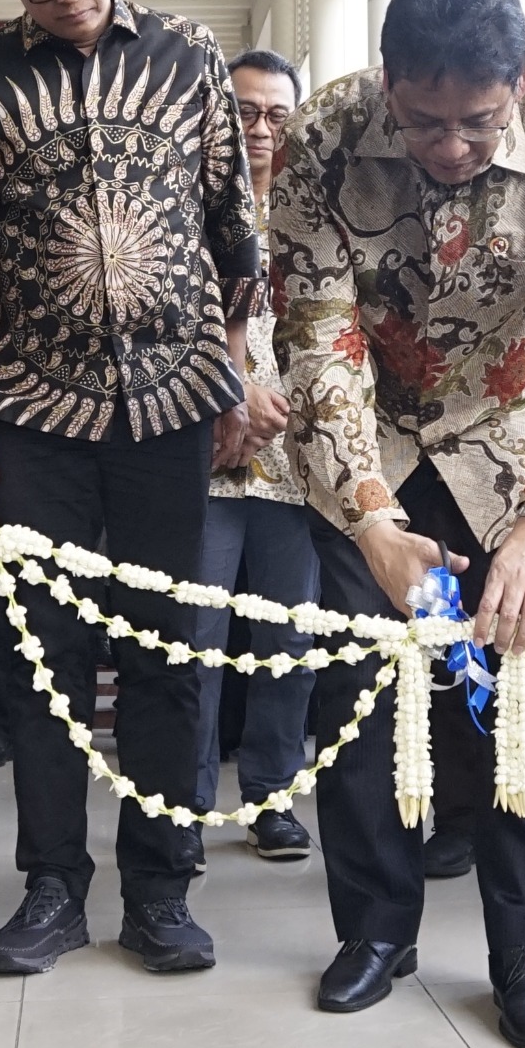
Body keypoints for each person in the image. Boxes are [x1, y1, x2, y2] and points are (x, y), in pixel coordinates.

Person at [273, 0, 525, 1048]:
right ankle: (375, 931)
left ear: (520, 77)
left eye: (476, 122)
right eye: (424, 120)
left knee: (516, 697)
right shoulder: (322, 139)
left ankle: (521, 949)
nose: (448, 148)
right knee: (362, 700)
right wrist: (373, 516)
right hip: (367, 445)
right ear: (387, 80)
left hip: (510, 444)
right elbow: (319, 339)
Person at [0, 0, 259, 977]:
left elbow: (230, 221)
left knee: (168, 649)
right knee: (41, 658)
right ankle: (53, 884)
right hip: (31, 410)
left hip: (171, 402)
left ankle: (162, 889)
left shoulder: (191, 53)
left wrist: (232, 370)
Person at [190, 47, 320, 858]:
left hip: (298, 471)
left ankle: (273, 797)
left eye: (278, 114)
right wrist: (226, 391)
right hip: (205, 464)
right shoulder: (183, 213)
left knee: (289, 644)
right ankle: (189, 803)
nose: (260, 129)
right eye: (243, 111)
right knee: (192, 644)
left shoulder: (324, 215)